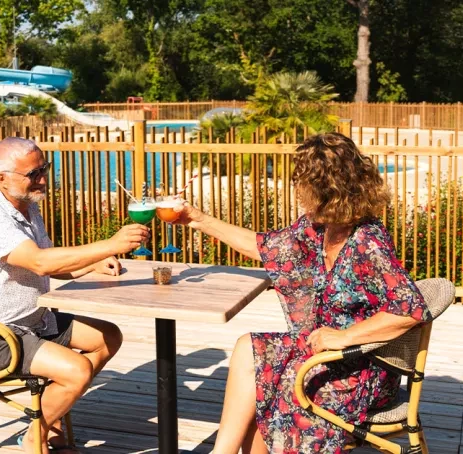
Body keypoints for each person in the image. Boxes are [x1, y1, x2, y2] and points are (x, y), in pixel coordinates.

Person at [171, 133, 434, 453]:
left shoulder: (367, 241)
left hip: (361, 368)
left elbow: (409, 309)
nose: (298, 190)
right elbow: (263, 247)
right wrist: (197, 219)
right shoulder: (320, 227)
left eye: (302, 182)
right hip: (320, 353)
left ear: (325, 189)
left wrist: (344, 336)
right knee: (248, 351)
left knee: (271, 390)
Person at [0, 137, 150, 453]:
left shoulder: (28, 207)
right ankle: (36, 438)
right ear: (2, 178)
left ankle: (49, 422)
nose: (43, 180)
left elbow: (49, 264)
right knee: (78, 370)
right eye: (33, 174)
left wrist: (92, 264)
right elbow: (40, 262)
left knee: (108, 337)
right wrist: (110, 245)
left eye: (44, 169)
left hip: (34, 322)